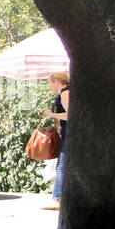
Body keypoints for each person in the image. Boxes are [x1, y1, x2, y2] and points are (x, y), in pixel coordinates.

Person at [42, 72, 70, 210]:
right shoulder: (64, 94)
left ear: (57, 82)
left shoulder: (65, 94)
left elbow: (71, 114)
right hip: (69, 133)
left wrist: (52, 114)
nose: (49, 86)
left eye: (50, 83)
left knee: (62, 166)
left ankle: (58, 199)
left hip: (70, 135)